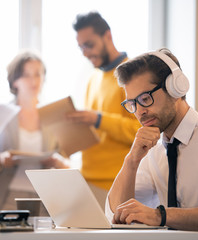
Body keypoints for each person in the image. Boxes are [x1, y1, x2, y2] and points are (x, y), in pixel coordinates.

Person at [106, 48, 198, 239]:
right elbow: (116, 213)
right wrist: (131, 161)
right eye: (132, 104)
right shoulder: (154, 151)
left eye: (145, 99)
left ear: (176, 89)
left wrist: (159, 215)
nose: (139, 112)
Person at [0, 50, 70, 220]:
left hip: (44, 199)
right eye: (26, 75)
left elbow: (66, 160)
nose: (33, 81)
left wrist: (58, 162)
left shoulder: (53, 116)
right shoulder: (0, 115)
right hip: (5, 197)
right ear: (14, 81)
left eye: (38, 74)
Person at [69, 11, 141, 209]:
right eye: (81, 47)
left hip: (114, 185)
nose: (85, 52)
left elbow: (140, 131)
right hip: (86, 181)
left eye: (89, 44)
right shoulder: (93, 78)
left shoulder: (133, 75)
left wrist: (98, 119)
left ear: (107, 36)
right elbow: (97, 133)